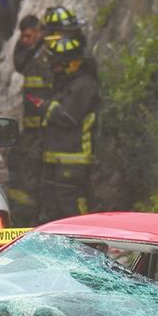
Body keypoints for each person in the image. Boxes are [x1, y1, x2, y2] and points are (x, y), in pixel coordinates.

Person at [37, 34, 99, 223]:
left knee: (72, 208)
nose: (55, 69)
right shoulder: (67, 84)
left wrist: (45, 106)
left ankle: (88, 247)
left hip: (73, 160)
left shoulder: (84, 85)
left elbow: (68, 116)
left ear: (70, 64)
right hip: (57, 159)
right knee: (53, 208)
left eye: (57, 64)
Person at [6, 14, 50, 225]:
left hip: (46, 127)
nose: (25, 41)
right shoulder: (32, 52)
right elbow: (19, 64)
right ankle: (20, 217)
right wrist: (27, 44)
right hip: (32, 127)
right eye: (22, 37)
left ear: (40, 32)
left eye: (29, 36)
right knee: (17, 161)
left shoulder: (47, 54)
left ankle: (29, 217)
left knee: (32, 170)